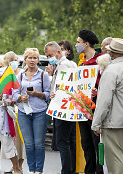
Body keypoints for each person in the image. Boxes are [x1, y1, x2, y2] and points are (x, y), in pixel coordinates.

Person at [91, 38, 123, 174]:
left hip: (114, 122)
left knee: (116, 159)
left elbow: (104, 100)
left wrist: (96, 123)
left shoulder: (111, 70)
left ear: (112, 53)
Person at [13, 48, 51, 174]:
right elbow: (15, 93)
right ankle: (31, 169)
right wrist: (20, 98)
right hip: (24, 112)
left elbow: (48, 94)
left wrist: (36, 93)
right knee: (28, 144)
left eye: (35, 58)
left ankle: (38, 170)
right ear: (25, 60)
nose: (32, 60)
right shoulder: (20, 75)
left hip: (40, 112)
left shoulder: (42, 74)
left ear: (38, 60)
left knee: (39, 143)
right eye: (30, 57)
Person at [44, 41, 77, 174]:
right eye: (46, 56)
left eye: (50, 55)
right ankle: (71, 169)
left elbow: (65, 87)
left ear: (58, 52)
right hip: (68, 107)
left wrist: (56, 93)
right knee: (69, 141)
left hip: (63, 108)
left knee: (63, 142)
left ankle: (67, 170)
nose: (49, 58)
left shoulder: (64, 65)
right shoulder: (67, 64)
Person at [75, 30, 103, 174]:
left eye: (78, 42)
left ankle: (100, 171)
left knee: (97, 144)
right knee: (86, 145)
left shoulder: (102, 60)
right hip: (83, 110)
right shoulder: (82, 64)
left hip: (97, 109)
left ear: (86, 44)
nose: (76, 45)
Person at [3, 51, 25, 172]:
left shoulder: (21, 74)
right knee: (11, 140)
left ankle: (19, 166)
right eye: (11, 60)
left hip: (19, 109)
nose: (14, 62)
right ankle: (15, 165)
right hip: (9, 111)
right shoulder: (6, 75)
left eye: (16, 59)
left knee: (20, 141)